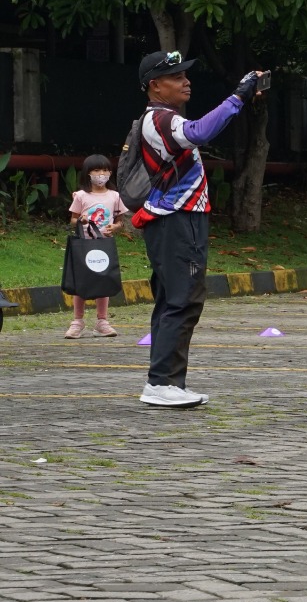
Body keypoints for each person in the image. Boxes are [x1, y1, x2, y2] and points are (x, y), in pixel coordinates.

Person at [128, 51, 263, 407]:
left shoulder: (163, 117)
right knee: (182, 299)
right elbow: (201, 131)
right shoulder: (159, 119)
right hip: (176, 217)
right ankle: (161, 383)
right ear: (155, 86)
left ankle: (165, 381)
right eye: (176, 77)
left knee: (173, 299)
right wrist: (238, 96)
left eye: (186, 75)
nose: (186, 81)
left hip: (176, 218)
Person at [65, 154, 128, 339]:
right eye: (97, 170)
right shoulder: (81, 196)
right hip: (84, 245)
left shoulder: (114, 196)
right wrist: (81, 220)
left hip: (104, 245)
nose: (102, 174)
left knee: (104, 280)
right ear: (88, 173)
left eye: (106, 170)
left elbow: (120, 221)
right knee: (81, 283)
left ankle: (102, 321)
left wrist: (114, 227)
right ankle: (77, 321)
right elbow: (73, 219)